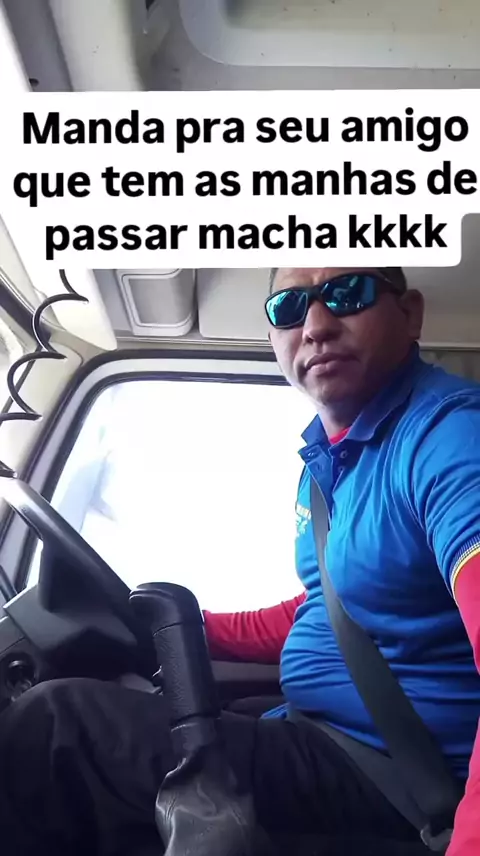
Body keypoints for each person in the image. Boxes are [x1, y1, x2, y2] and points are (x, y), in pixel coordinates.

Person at [1, 266, 480, 856]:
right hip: (318, 729)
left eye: (347, 294)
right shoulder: (330, 461)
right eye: (290, 307)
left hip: (400, 782)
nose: (316, 325)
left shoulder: (453, 440)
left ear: (409, 313)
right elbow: (334, 606)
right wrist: (188, 632)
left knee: (59, 728)